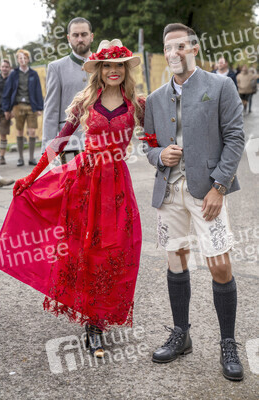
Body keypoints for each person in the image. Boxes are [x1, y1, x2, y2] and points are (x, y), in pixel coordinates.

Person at [0, 39, 145, 358]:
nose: (113, 71)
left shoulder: (137, 103)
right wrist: (32, 177)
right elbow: (59, 141)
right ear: (99, 70)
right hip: (85, 181)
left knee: (115, 249)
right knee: (86, 250)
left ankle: (100, 315)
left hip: (116, 186)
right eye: (107, 65)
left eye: (119, 65)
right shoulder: (85, 101)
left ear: (125, 70)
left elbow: (157, 137)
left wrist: (169, 158)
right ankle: (94, 325)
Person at [143, 23, 244, 381]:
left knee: (219, 266)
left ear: (195, 49)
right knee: (176, 261)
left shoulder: (220, 86)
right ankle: (181, 334)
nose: (175, 53)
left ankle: (228, 342)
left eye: (181, 46)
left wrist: (219, 185)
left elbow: (235, 137)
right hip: (169, 193)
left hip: (207, 193)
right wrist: (159, 155)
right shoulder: (154, 98)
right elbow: (147, 143)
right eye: (169, 47)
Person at [42, 17, 93, 164]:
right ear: (68, 38)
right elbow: (51, 110)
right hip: (69, 144)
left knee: (99, 186)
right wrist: (49, 148)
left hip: (100, 142)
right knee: (72, 186)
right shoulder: (56, 68)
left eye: (84, 34)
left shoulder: (104, 65)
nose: (80, 39)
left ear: (91, 36)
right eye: (75, 35)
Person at [2, 49, 43, 167]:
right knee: (19, 131)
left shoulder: (33, 74)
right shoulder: (13, 74)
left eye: (25, 57)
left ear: (28, 59)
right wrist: (6, 109)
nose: (22, 60)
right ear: (18, 60)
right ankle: (20, 158)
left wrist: (39, 107)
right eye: (20, 58)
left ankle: (31, 158)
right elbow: (7, 91)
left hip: (31, 106)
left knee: (32, 131)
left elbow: (38, 91)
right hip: (17, 106)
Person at [0, 59, 12, 165]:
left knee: (3, 135)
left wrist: (11, 109)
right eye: (3, 66)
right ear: (0, 67)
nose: (4, 68)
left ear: (9, 68)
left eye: (6, 67)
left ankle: (2, 157)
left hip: (6, 112)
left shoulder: (12, 80)